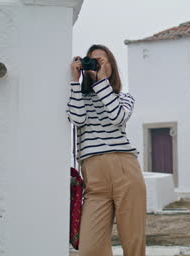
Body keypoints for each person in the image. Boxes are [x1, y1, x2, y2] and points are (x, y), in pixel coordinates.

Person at [67, 44, 146, 256]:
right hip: (94, 179)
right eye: (92, 61)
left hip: (125, 170)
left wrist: (102, 82)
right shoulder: (80, 98)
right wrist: (75, 82)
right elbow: (77, 118)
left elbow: (117, 116)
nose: (97, 64)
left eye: (102, 60)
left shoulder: (123, 97)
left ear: (111, 65)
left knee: (133, 241)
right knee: (90, 249)